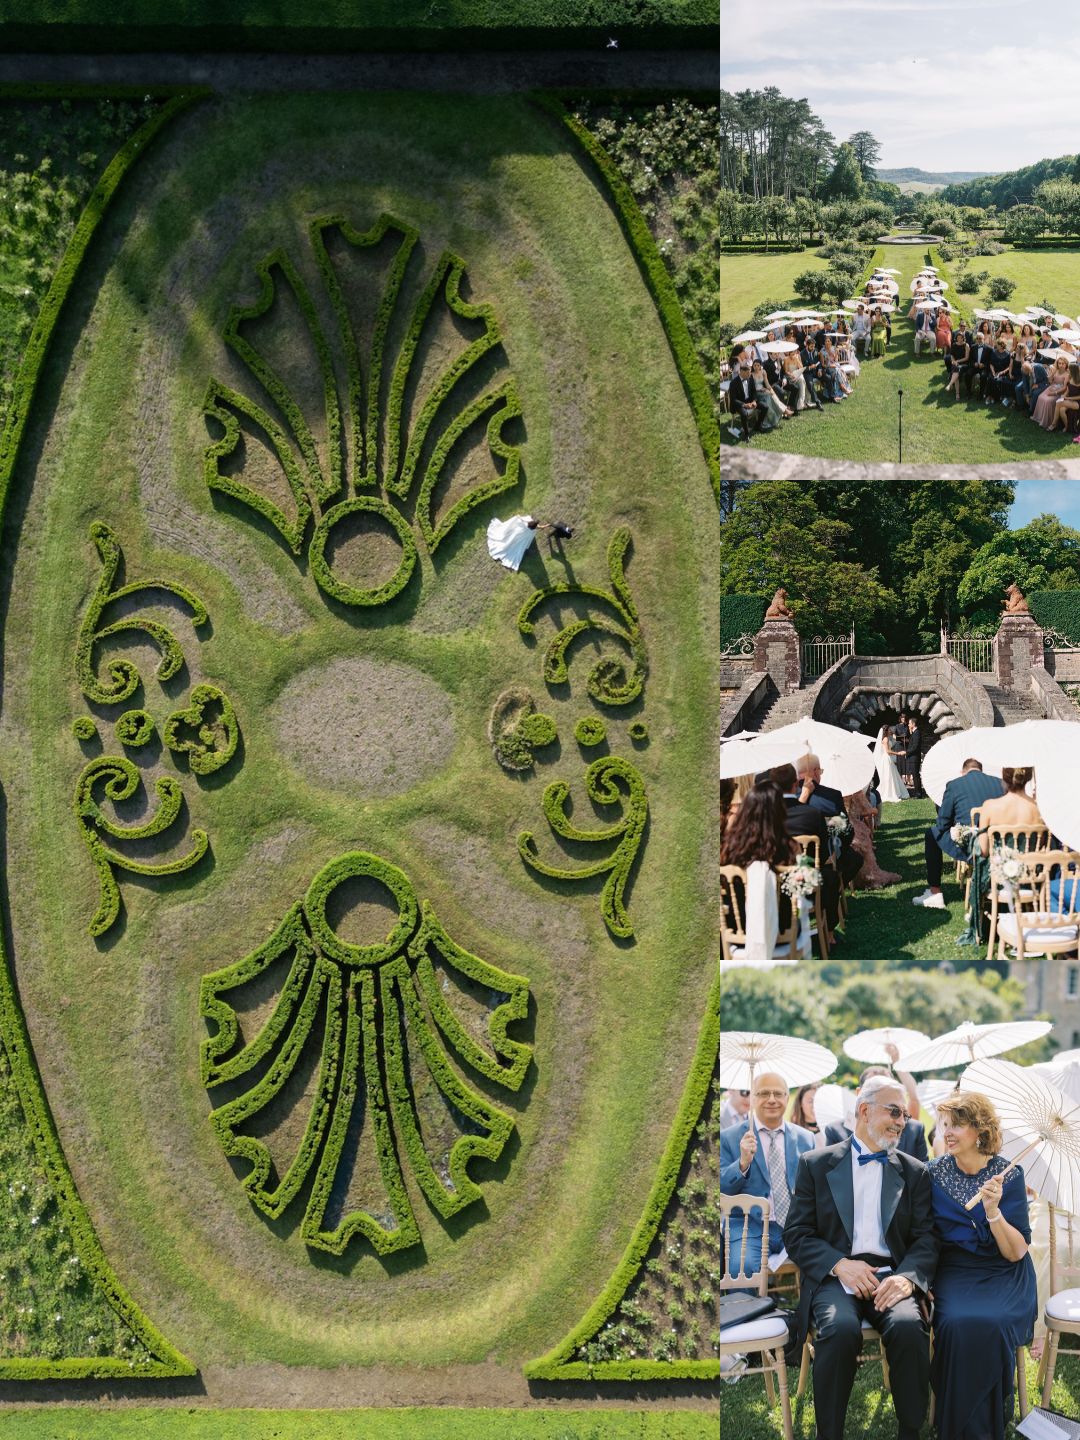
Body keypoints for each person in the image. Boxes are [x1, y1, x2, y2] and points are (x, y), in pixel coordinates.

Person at [784, 1075, 939, 1440]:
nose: (903, 1120)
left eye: (904, 1114)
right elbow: (797, 1234)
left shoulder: (914, 1172)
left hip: (892, 1275)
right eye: (894, 1111)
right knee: (839, 1330)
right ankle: (830, 1433)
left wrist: (907, 1278)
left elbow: (926, 1239)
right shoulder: (816, 1165)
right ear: (865, 1109)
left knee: (907, 1327)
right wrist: (840, 1264)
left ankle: (909, 1430)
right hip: (838, 1275)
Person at [927, 1091, 1037, 1440]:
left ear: (980, 1131)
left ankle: (984, 1426)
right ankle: (961, 1425)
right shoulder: (932, 1173)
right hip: (955, 1271)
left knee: (993, 1321)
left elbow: (1016, 1252)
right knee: (957, 1321)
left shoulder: (1010, 1176)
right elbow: (923, 1235)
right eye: (945, 1123)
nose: (947, 1131)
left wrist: (993, 1212)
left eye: (957, 1124)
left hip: (1004, 1272)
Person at [720, 1070, 815, 1273]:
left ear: (787, 1098)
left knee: (821, 1261)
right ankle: (746, 1305)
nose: (771, 1100)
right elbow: (721, 1189)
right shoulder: (729, 1138)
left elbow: (815, 1187)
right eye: (763, 1094)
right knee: (741, 1268)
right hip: (748, 1226)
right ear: (752, 1099)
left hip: (795, 1227)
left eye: (778, 1094)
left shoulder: (805, 1138)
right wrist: (742, 1162)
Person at [914, 758, 1005, 910]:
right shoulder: (999, 783)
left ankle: (935, 892)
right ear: (981, 770)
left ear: (963, 772)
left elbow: (942, 822)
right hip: (999, 844)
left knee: (932, 833)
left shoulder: (954, 784)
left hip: (971, 846)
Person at [768, 763, 840, 938]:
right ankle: (829, 933)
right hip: (806, 880)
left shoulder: (765, 815)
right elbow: (822, 855)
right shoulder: (812, 814)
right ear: (795, 784)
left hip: (773, 879)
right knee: (831, 876)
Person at [823, 1061, 928, 1161]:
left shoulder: (914, 1130)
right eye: (875, 1089)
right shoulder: (835, 1130)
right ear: (860, 1094)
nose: (901, 1122)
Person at [796, 752, 864, 888]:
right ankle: (836, 889)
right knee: (855, 859)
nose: (820, 775)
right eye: (820, 771)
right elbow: (846, 831)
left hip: (791, 859)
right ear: (815, 772)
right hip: (824, 856)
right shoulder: (832, 796)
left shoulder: (786, 797)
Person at [977, 766, 1044, 855]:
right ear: (1028, 776)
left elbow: (984, 850)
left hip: (998, 868)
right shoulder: (1040, 809)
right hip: (1032, 867)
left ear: (1004, 776)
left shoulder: (989, 806)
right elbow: (1041, 846)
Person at [845, 789, 902, 889]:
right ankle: (868, 877)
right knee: (863, 841)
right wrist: (873, 810)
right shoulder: (856, 792)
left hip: (838, 828)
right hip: (853, 829)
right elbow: (869, 810)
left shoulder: (831, 792)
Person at [727, 358, 764, 442]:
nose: (750, 374)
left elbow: (754, 391)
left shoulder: (750, 378)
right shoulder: (733, 383)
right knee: (744, 414)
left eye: (750, 372)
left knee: (765, 407)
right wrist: (744, 405)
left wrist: (754, 401)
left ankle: (757, 426)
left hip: (750, 400)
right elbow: (733, 399)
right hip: (739, 404)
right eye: (748, 372)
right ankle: (746, 435)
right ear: (742, 372)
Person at [872, 724, 909, 802]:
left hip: (887, 758)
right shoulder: (885, 739)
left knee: (891, 776)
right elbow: (888, 751)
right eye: (889, 730)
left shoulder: (887, 738)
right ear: (886, 731)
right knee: (889, 776)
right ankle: (889, 793)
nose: (891, 731)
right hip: (887, 759)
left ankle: (892, 792)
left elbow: (890, 747)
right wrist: (898, 753)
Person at [1033, 355, 1071, 429]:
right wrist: (1051, 374)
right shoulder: (1056, 371)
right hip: (1052, 387)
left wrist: (1054, 393)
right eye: (1059, 363)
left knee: (1048, 401)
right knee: (1040, 397)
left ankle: (1047, 421)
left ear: (1066, 364)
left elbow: (1065, 387)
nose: (1061, 365)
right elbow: (1050, 381)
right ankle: (1039, 418)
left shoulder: (1067, 374)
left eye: (1063, 363)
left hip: (1060, 391)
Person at [904, 716, 922, 797]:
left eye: (909, 723)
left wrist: (906, 752)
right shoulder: (914, 733)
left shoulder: (917, 733)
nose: (908, 725)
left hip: (914, 758)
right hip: (913, 758)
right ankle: (917, 792)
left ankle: (918, 793)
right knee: (914, 775)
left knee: (915, 775)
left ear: (913, 724)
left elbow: (915, 747)